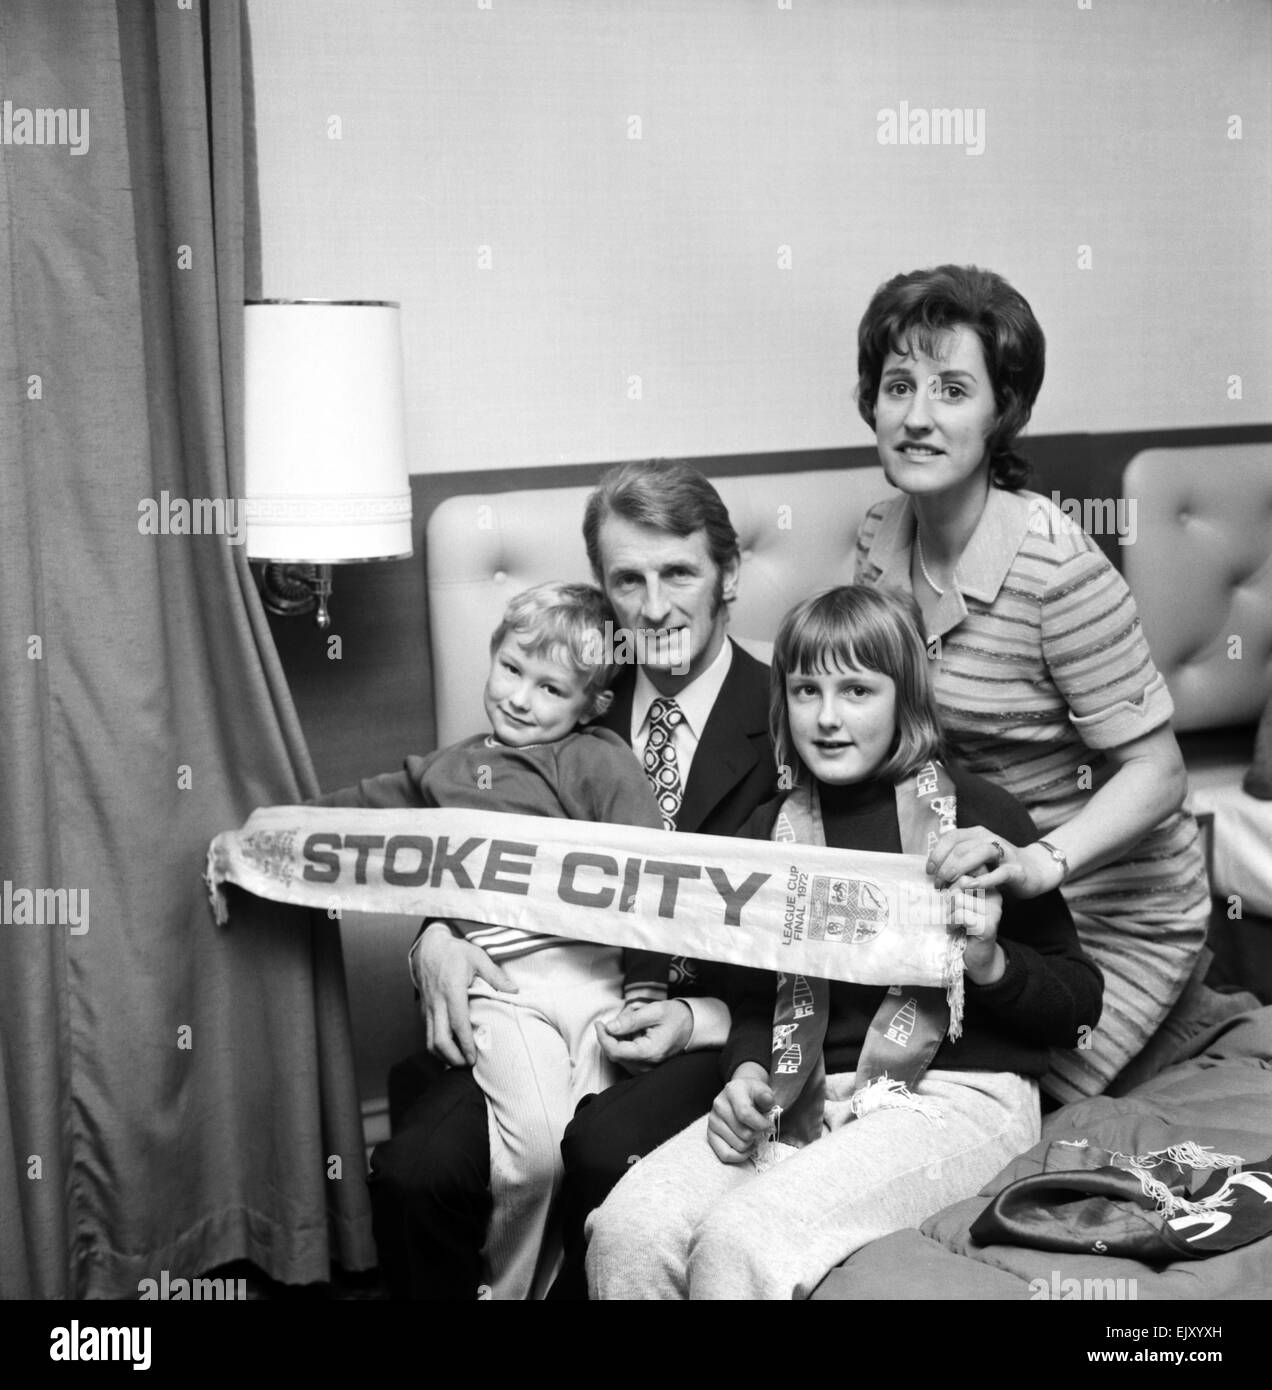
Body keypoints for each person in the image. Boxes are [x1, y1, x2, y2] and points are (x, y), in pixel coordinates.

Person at [586, 585, 1103, 1300]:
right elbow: (750, 1004)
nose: (827, 718)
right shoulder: (763, 836)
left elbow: (1079, 1005)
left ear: (904, 700)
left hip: (956, 1096)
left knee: (745, 1239)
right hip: (803, 1093)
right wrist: (743, 1077)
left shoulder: (979, 816)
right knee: (629, 1227)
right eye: (806, 691)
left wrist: (989, 961)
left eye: (857, 690)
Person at [375, 460, 778, 1299]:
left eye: (680, 573)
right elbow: (471, 828)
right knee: (417, 1171)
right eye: (629, 579)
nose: (655, 605)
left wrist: (694, 1017)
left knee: (591, 1150)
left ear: (730, 574)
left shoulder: (794, 714)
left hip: (711, 1026)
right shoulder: (564, 685)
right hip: (532, 994)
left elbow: (804, 932)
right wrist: (436, 940)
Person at [852, 264, 1209, 1101]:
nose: (917, 416)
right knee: (878, 1092)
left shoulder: (1056, 571)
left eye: (951, 389)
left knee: (1009, 1107)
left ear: (1001, 412)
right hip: (978, 895)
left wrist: (1043, 864)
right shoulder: (878, 538)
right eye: (898, 385)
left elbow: (1160, 774)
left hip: (1109, 909)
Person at [316, 580, 668, 1300]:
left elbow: (651, 879)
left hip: (601, 983)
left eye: (550, 687)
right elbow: (348, 820)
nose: (519, 698)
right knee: (535, 1151)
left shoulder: (601, 761)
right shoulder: (444, 771)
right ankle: (502, 1290)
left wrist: (647, 986)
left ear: (592, 703)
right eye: (511, 669)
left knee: (593, 1153)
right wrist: (264, 834)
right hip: (503, 986)